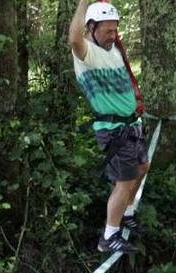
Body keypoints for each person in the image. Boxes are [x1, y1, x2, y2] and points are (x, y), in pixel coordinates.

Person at [69, 0, 148, 253]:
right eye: (107, 31)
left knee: (142, 167)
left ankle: (127, 212)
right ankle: (109, 236)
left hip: (132, 125)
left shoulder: (114, 49)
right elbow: (74, 39)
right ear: (91, 28)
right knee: (124, 183)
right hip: (114, 130)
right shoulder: (86, 54)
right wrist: (83, 3)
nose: (113, 35)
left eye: (115, 30)